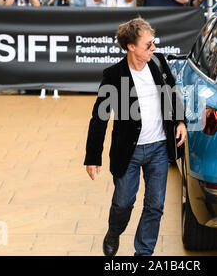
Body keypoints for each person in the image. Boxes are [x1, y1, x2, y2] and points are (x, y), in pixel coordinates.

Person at [84, 17, 187, 256]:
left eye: (153, 43)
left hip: (159, 148)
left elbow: (172, 91)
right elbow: (99, 117)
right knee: (123, 203)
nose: (154, 48)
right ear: (131, 46)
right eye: (148, 45)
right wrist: (93, 156)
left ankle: (143, 253)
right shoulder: (114, 75)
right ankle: (113, 231)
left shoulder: (159, 63)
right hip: (128, 151)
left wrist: (180, 120)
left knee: (155, 205)